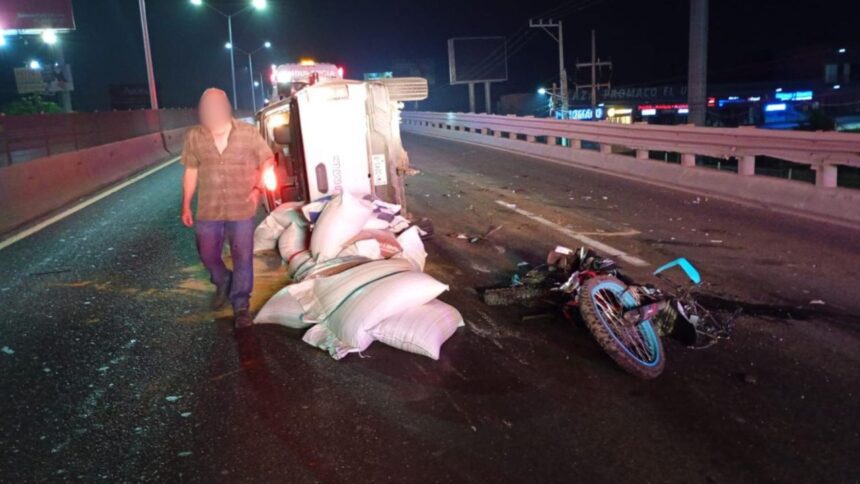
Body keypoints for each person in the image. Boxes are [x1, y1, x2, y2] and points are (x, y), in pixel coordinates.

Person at [180, 88, 274, 328]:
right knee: (207, 253)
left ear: (226, 106)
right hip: (208, 209)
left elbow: (267, 160)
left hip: (242, 207)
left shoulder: (248, 133)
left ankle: (241, 305)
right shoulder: (194, 136)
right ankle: (222, 278)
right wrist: (186, 205)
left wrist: (257, 189)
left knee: (242, 256)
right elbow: (191, 170)